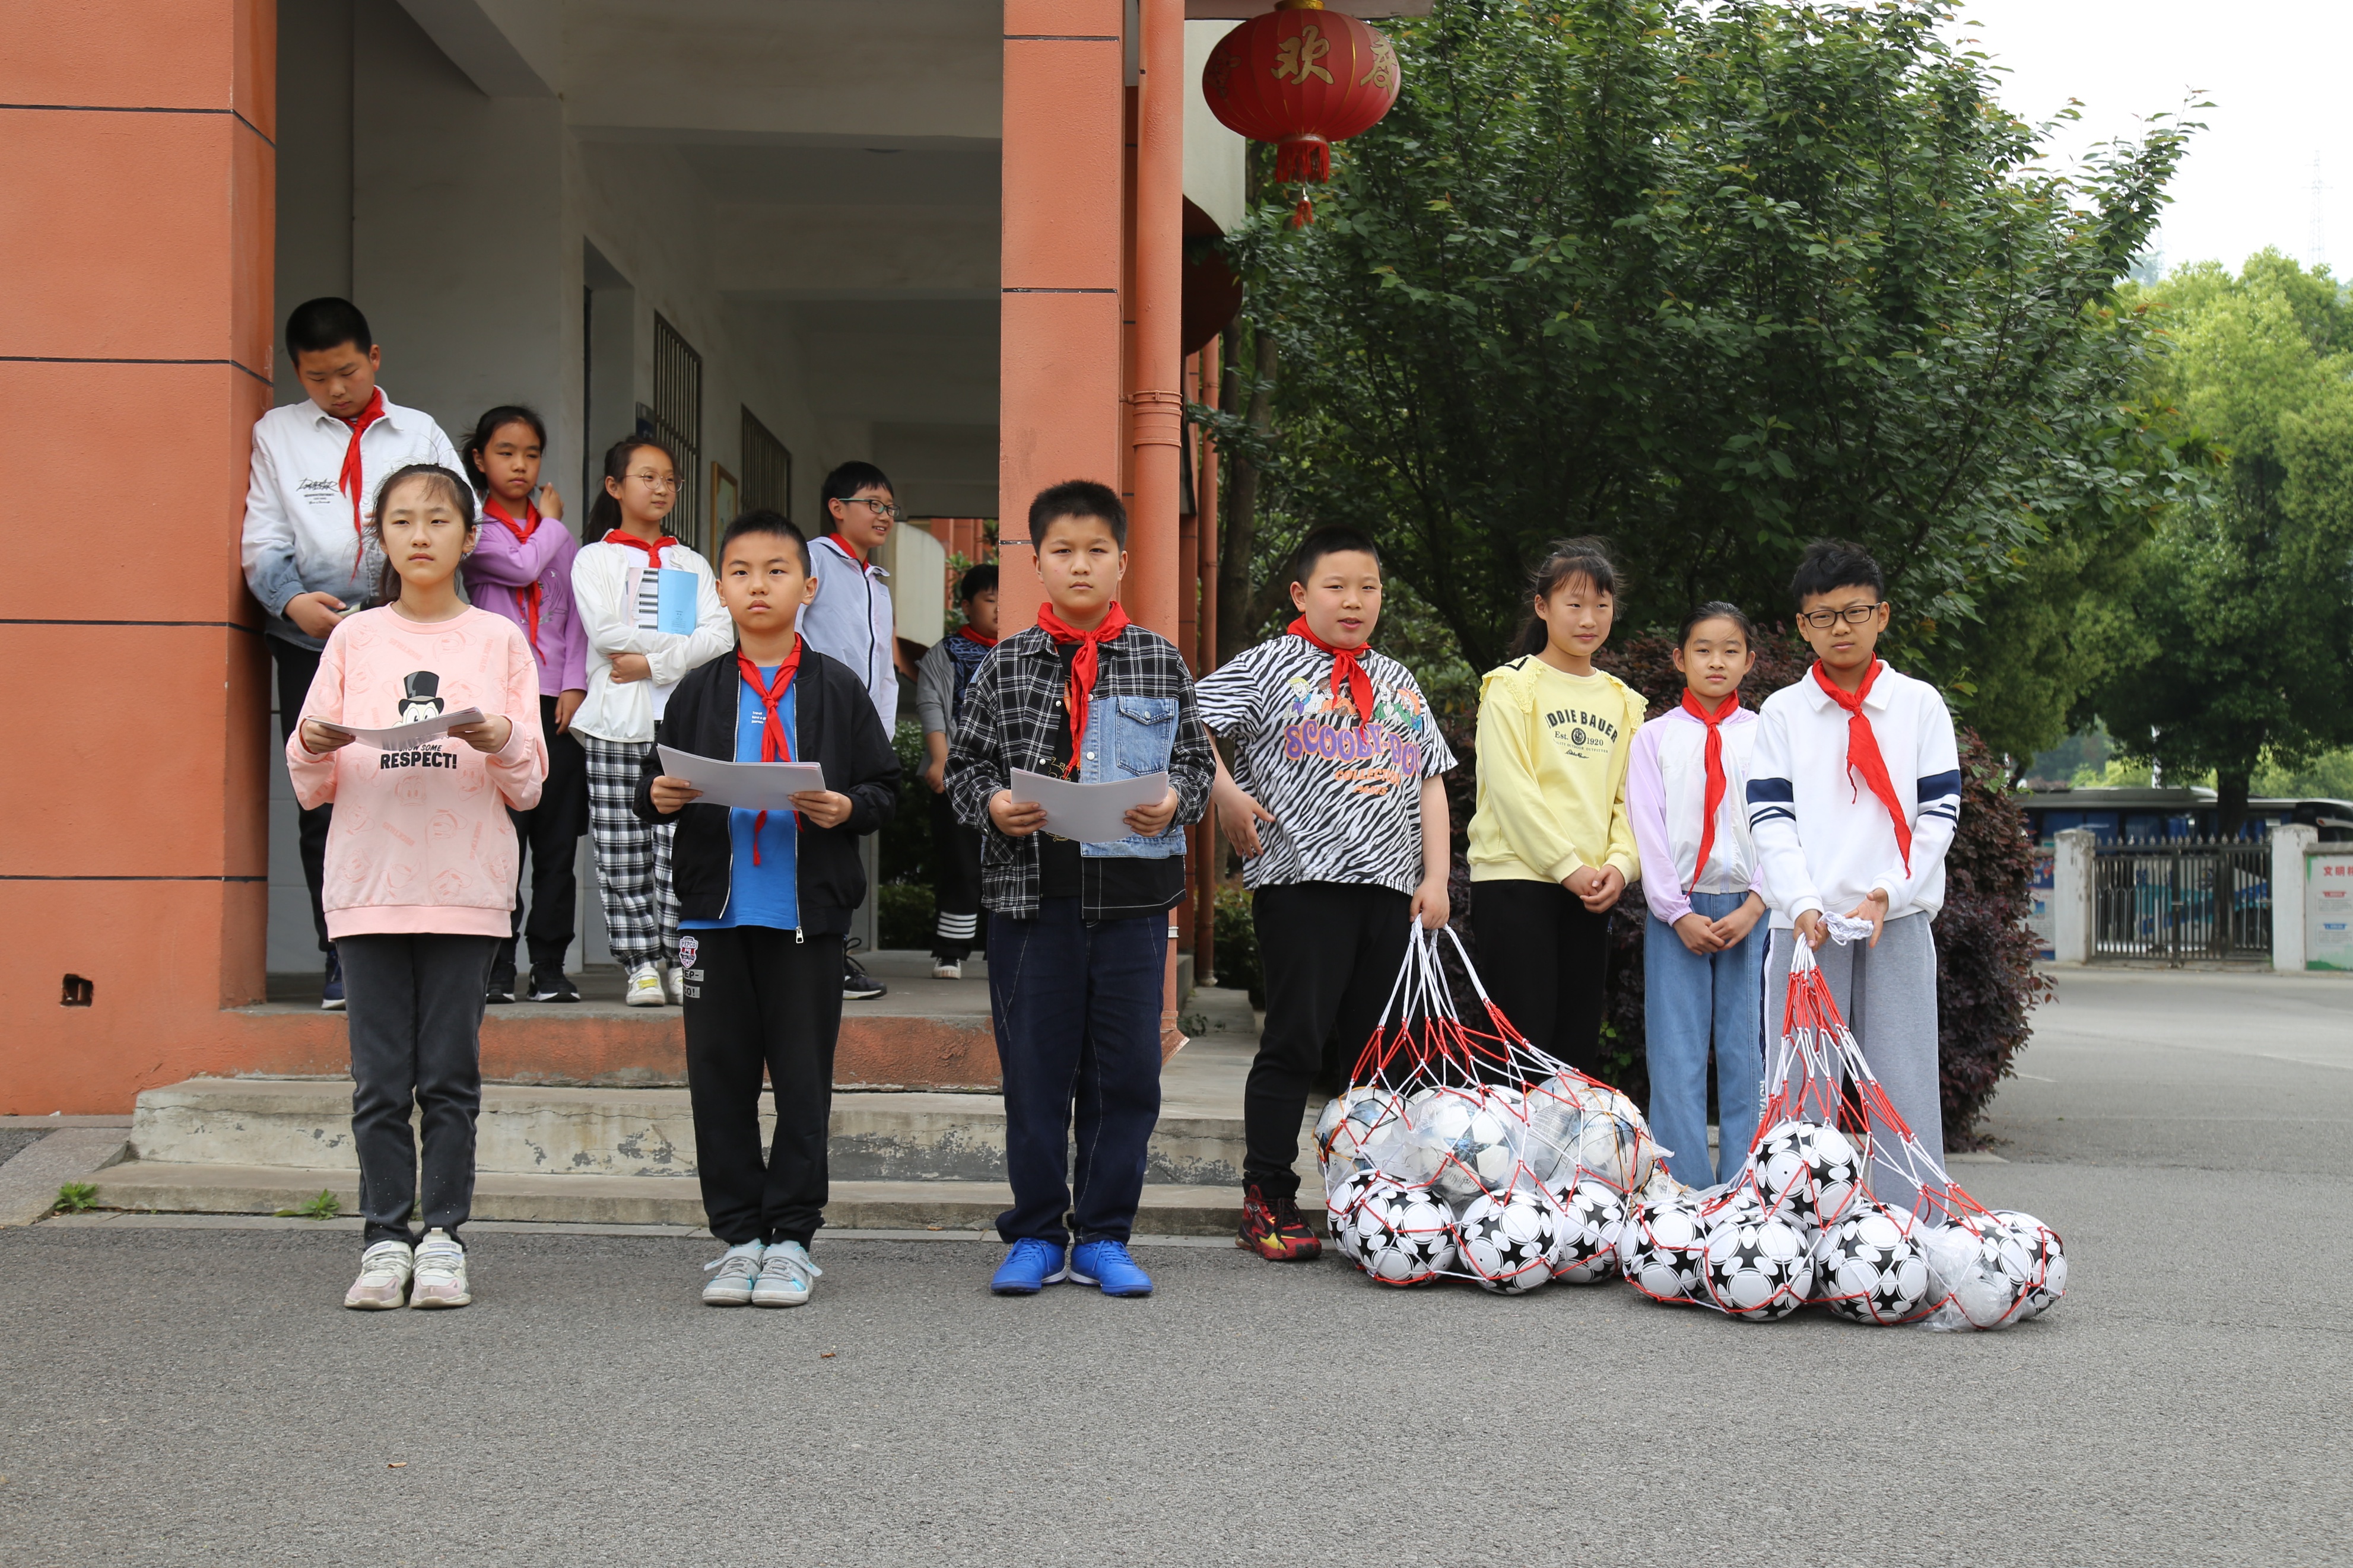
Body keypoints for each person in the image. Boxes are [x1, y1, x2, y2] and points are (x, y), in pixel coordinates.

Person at [286, 463, 547, 1311]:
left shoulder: (499, 641)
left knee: (448, 1076)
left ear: (470, 537)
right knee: (378, 1078)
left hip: (466, 887)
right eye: (402, 520)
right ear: (382, 537)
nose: (421, 534)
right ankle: (383, 1238)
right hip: (368, 885)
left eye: (439, 519)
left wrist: (499, 731)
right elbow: (307, 779)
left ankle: (443, 1236)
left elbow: (530, 782)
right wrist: (316, 742)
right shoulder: (353, 641)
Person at [947, 481, 1214, 1298]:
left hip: (1131, 906)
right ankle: (1034, 1230)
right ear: (1036, 562)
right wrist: (995, 804)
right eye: (1062, 550)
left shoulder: (1158, 658)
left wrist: (1173, 797)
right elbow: (964, 773)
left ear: (1123, 561)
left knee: (1126, 1071)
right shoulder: (1003, 663)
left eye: (1097, 549)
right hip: (1031, 906)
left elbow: (1198, 767)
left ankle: (1103, 1234)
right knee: (1034, 1071)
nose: (1080, 564)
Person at [639, 510, 901, 1308]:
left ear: (808, 586)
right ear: (719, 588)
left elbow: (882, 789)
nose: (759, 584)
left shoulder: (837, 687)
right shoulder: (697, 688)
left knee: (800, 1079)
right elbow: (657, 787)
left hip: (804, 918)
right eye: (743, 571)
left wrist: (842, 808)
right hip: (711, 919)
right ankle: (738, 1237)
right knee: (715, 1079)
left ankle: (790, 1237)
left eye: (777, 570)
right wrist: (658, 795)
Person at [1197, 526, 1457, 1262]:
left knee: (1377, 1057)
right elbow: (1186, 722)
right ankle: (1268, 1197)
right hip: (1301, 886)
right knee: (1294, 1043)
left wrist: (1434, 878)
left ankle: (1368, 1196)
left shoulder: (1399, 681)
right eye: (1336, 586)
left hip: (1390, 893)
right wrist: (1227, 796)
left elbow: (1429, 780)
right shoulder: (1267, 666)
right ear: (1300, 593)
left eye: (1367, 587)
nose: (1353, 600)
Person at [240, 297, 466, 1009]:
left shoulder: (419, 432)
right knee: (327, 798)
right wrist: (289, 602)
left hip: (406, 629)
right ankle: (340, 957)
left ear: (374, 359)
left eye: (345, 372)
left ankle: (426, 953)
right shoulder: (276, 433)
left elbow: (468, 520)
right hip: (309, 635)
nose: (335, 390)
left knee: (417, 779)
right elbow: (262, 535)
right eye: (315, 378)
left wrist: (403, 601)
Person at [1747, 540, 1961, 1212]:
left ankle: (1912, 1230)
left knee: (1900, 1085)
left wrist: (1887, 894)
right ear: (1802, 627)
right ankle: (1792, 1235)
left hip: (1891, 921)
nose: (1840, 627)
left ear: (1882, 615)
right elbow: (1769, 820)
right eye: (1822, 616)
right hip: (1805, 928)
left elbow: (1937, 816)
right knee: (1800, 1089)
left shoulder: (1918, 705)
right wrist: (1803, 903)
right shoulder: (1783, 712)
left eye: (1854, 611)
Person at [1464, 538, 1645, 1076]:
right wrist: (1567, 868)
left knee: (1574, 1047)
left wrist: (1619, 867)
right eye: (1574, 604)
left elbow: (1630, 802)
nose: (1588, 619)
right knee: (1517, 1046)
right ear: (1542, 607)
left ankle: (1564, 1163)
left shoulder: (1624, 702)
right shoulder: (1509, 687)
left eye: (1601, 605)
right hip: (1516, 880)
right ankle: (1509, 1162)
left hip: (1590, 892)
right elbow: (1512, 790)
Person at [569, 437, 732, 1007]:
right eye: (647, 477)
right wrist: (678, 647)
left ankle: (677, 957)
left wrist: (652, 662)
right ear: (615, 486)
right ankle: (639, 961)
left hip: (681, 725)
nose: (660, 488)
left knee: (678, 847)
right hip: (616, 722)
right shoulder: (595, 559)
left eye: (669, 479)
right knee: (621, 846)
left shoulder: (692, 562)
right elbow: (606, 634)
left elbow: (721, 638)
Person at [1625, 603, 1768, 1187]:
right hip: (1676, 915)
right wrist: (1674, 911)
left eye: (1729, 650)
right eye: (1702, 650)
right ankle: (1683, 1188)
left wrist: (1759, 903)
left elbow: (1783, 825)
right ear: (1678, 658)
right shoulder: (1653, 739)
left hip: (1750, 911)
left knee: (1746, 1052)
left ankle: (1744, 1183)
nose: (1716, 661)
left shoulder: (1767, 737)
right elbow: (1647, 829)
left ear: (1749, 661)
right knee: (1676, 1053)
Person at [460, 406, 588, 1004]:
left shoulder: (556, 535)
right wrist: (556, 524)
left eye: (531, 454)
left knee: (557, 847)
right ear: (480, 460)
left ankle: (550, 966)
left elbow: (579, 616)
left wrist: (573, 684)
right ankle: (493, 966)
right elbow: (521, 566)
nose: (520, 465)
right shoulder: (474, 529)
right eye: (506, 452)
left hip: (552, 707)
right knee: (501, 840)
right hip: (499, 709)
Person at [802, 461, 901, 1002]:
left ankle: (833, 951)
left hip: (860, 733)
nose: (884, 515)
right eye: (874, 504)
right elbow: (792, 633)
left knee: (843, 846)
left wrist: (880, 741)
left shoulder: (876, 582)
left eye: (889, 507)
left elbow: (883, 669)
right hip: (814, 722)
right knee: (813, 840)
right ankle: (819, 955)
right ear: (838, 508)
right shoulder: (813, 559)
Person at [913, 563, 1000, 979]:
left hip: (1010, 779)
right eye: (989, 598)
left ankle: (1001, 945)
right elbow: (931, 705)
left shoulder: (1023, 651)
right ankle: (951, 950)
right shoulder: (944, 653)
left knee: (1010, 863)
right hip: (959, 775)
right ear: (967, 606)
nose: (999, 607)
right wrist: (940, 760)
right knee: (961, 865)